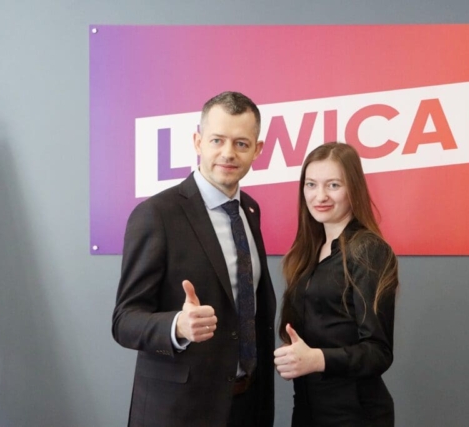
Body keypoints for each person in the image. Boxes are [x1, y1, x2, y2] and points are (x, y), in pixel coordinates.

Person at [112, 91, 276, 427]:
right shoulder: (157, 214)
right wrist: (177, 326)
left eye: (241, 143)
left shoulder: (249, 210)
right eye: (217, 140)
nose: (228, 153)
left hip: (246, 405)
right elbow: (124, 320)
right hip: (180, 411)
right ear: (198, 141)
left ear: (257, 150)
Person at [274, 142, 399, 427]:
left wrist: (316, 359)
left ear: (353, 189)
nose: (320, 196)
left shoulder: (368, 249)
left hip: (354, 414)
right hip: (308, 408)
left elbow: (378, 352)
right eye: (311, 185)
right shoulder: (308, 251)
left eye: (333, 185)